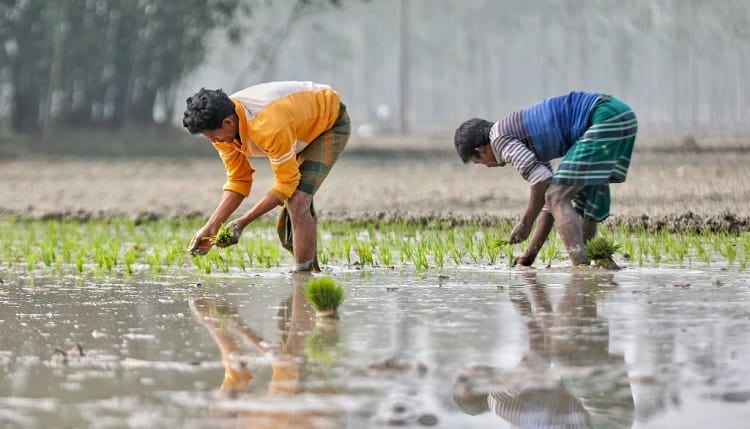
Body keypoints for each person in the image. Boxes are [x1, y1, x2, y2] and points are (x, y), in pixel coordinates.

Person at [453, 92, 637, 266]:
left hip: (604, 117)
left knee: (557, 196)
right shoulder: (521, 136)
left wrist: (525, 223)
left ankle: (580, 268)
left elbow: (543, 184)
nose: (489, 166)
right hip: (620, 114)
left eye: (482, 162)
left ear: (481, 149)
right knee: (582, 196)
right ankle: (596, 259)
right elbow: (547, 198)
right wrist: (529, 255)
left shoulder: (499, 139)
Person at [183, 81, 351, 271]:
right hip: (297, 126)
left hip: (328, 122)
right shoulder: (225, 129)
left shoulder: (268, 125)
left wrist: (241, 222)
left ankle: (303, 278)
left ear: (228, 122)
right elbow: (239, 180)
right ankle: (311, 273)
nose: (215, 142)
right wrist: (211, 227)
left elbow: (285, 184)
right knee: (293, 212)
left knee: (297, 200)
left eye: (214, 137)